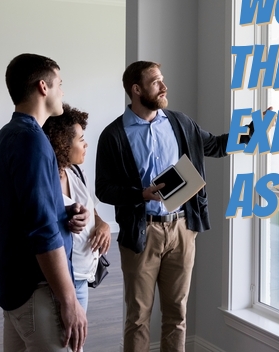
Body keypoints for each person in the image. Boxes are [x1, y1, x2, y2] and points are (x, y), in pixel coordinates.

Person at [95, 61, 250, 352]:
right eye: (156, 82)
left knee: (177, 314)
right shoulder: (113, 135)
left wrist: (253, 130)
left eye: (162, 80)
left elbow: (216, 145)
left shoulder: (180, 123)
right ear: (137, 90)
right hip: (142, 233)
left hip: (181, 230)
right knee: (138, 317)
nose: (164, 87)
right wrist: (141, 194)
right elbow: (103, 189)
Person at [0, 53, 88, 352]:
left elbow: (23, 211)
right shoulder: (32, 140)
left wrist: (63, 210)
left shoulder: (8, 135)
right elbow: (41, 231)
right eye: (60, 84)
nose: (63, 92)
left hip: (15, 290)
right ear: (43, 87)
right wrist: (69, 299)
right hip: (38, 291)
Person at [43, 103, 112, 312]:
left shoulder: (76, 172)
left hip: (83, 278)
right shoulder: (46, 181)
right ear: (63, 144)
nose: (86, 145)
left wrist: (102, 225)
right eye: (81, 140)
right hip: (61, 283)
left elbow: (92, 209)